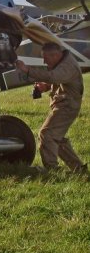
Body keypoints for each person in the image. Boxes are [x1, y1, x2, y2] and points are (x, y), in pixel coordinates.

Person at [16, 42, 86, 172]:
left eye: (46, 58)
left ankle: (51, 169)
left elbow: (53, 76)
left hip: (67, 107)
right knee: (56, 138)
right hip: (66, 104)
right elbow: (58, 79)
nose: (44, 61)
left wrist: (27, 70)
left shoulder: (67, 66)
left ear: (55, 55)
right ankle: (78, 168)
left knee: (46, 134)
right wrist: (46, 86)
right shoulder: (62, 62)